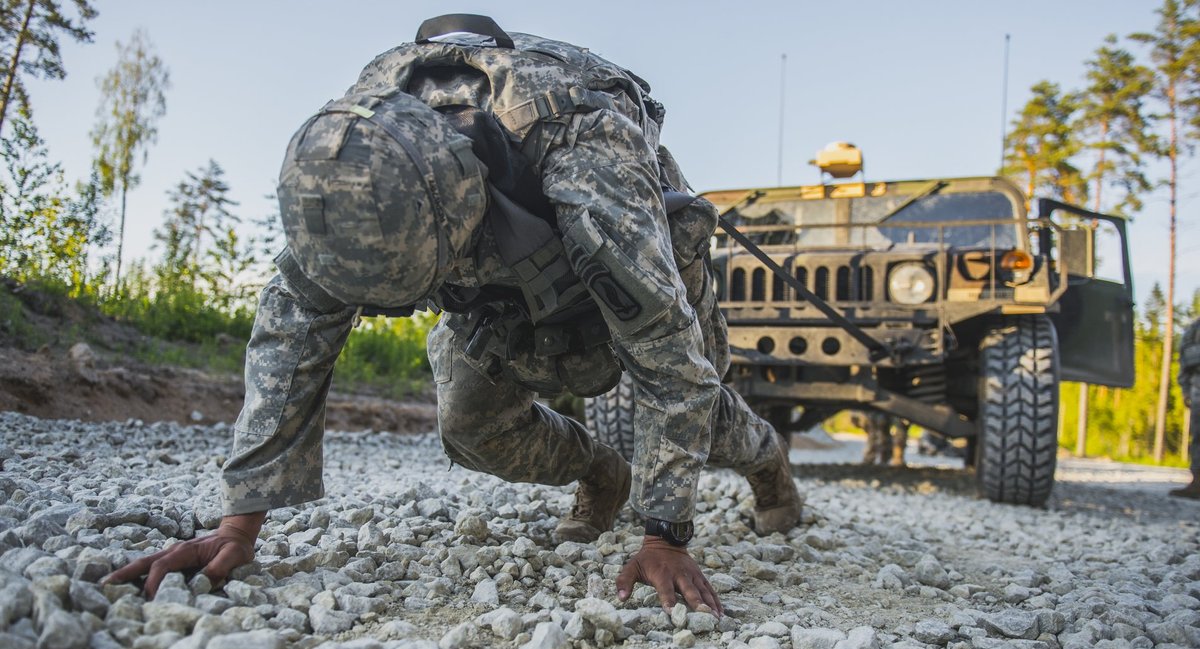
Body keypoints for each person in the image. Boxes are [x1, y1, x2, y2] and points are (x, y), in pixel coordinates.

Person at [107, 14, 804, 614]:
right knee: (470, 423)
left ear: (456, 219)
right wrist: (240, 524)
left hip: (609, 254)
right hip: (499, 282)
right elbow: (290, 340)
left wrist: (663, 536)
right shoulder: (354, 176)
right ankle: (600, 471)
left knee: (695, 416)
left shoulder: (584, 164)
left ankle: (767, 462)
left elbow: (666, 356)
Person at [1175, 317, 1200, 499]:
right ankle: (1197, 482)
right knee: (1198, 436)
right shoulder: (1194, 329)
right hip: (1198, 389)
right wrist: (1185, 390)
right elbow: (1185, 362)